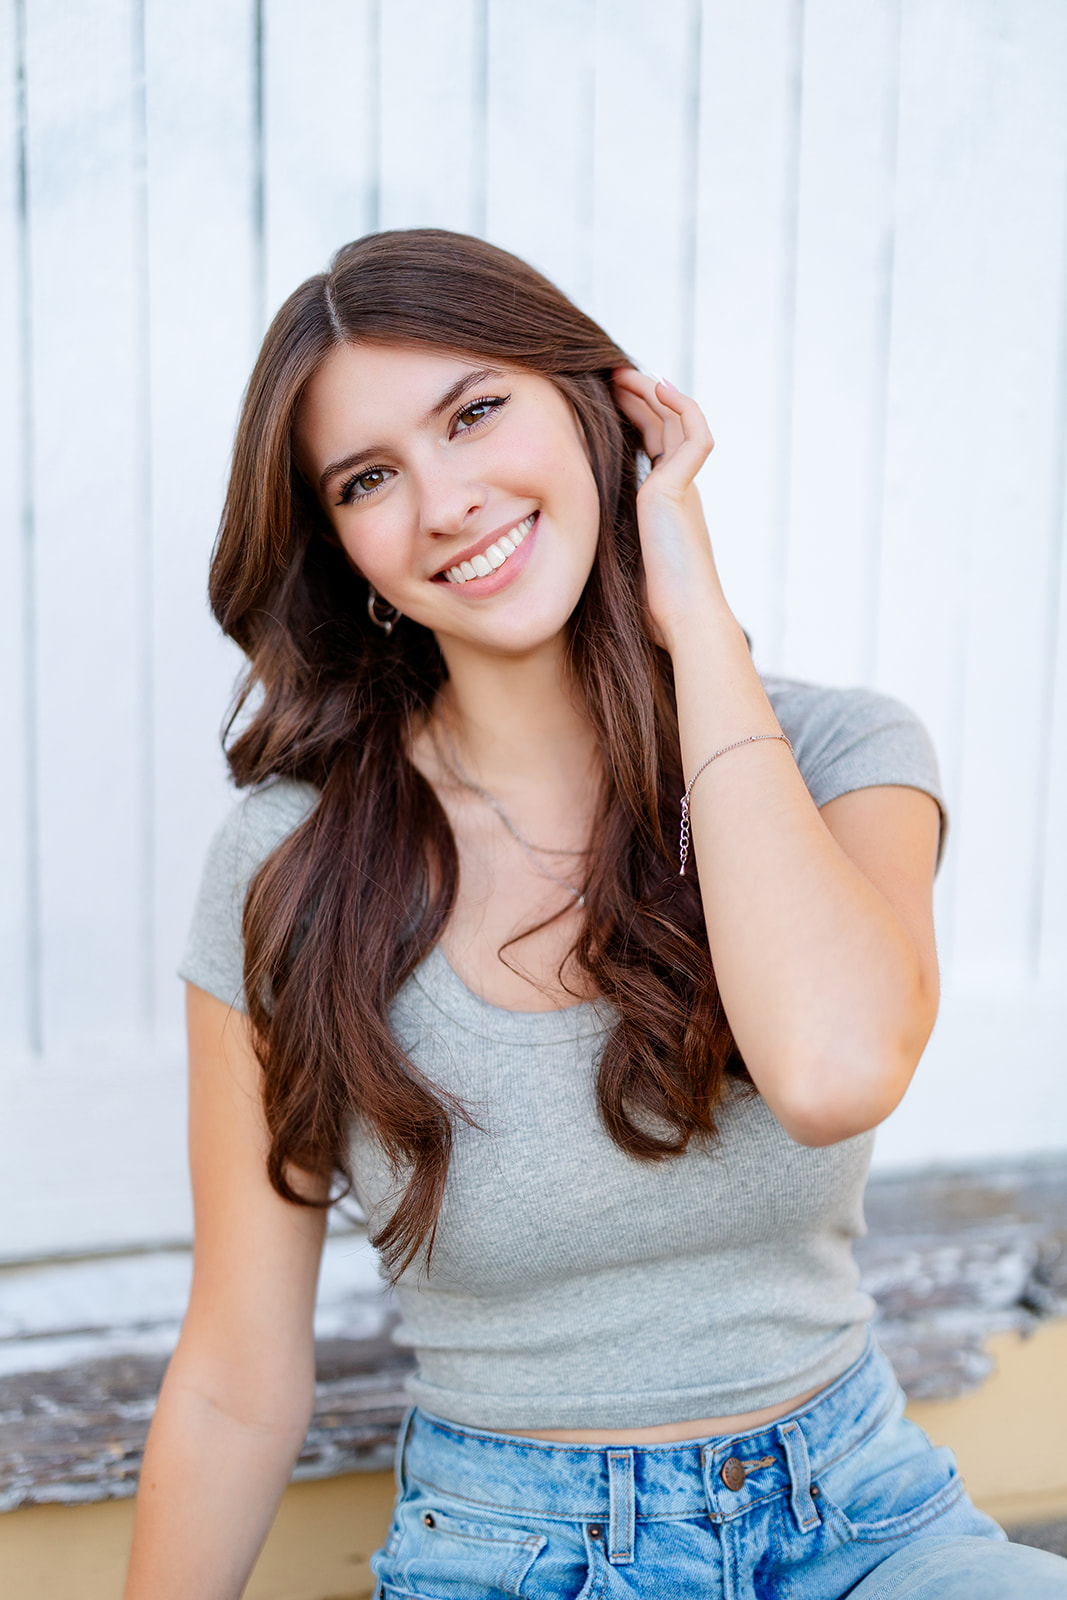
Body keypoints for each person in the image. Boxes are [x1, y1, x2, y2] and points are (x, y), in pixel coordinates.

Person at [123, 229, 1067, 1599]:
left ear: (596, 405)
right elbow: (233, 1374)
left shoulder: (842, 757)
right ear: (343, 550)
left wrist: (692, 611)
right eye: (372, 479)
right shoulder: (291, 865)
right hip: (518, 1554)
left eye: (477, 412)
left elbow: (832, 1067)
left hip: (864, 1525)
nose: (446, 500)